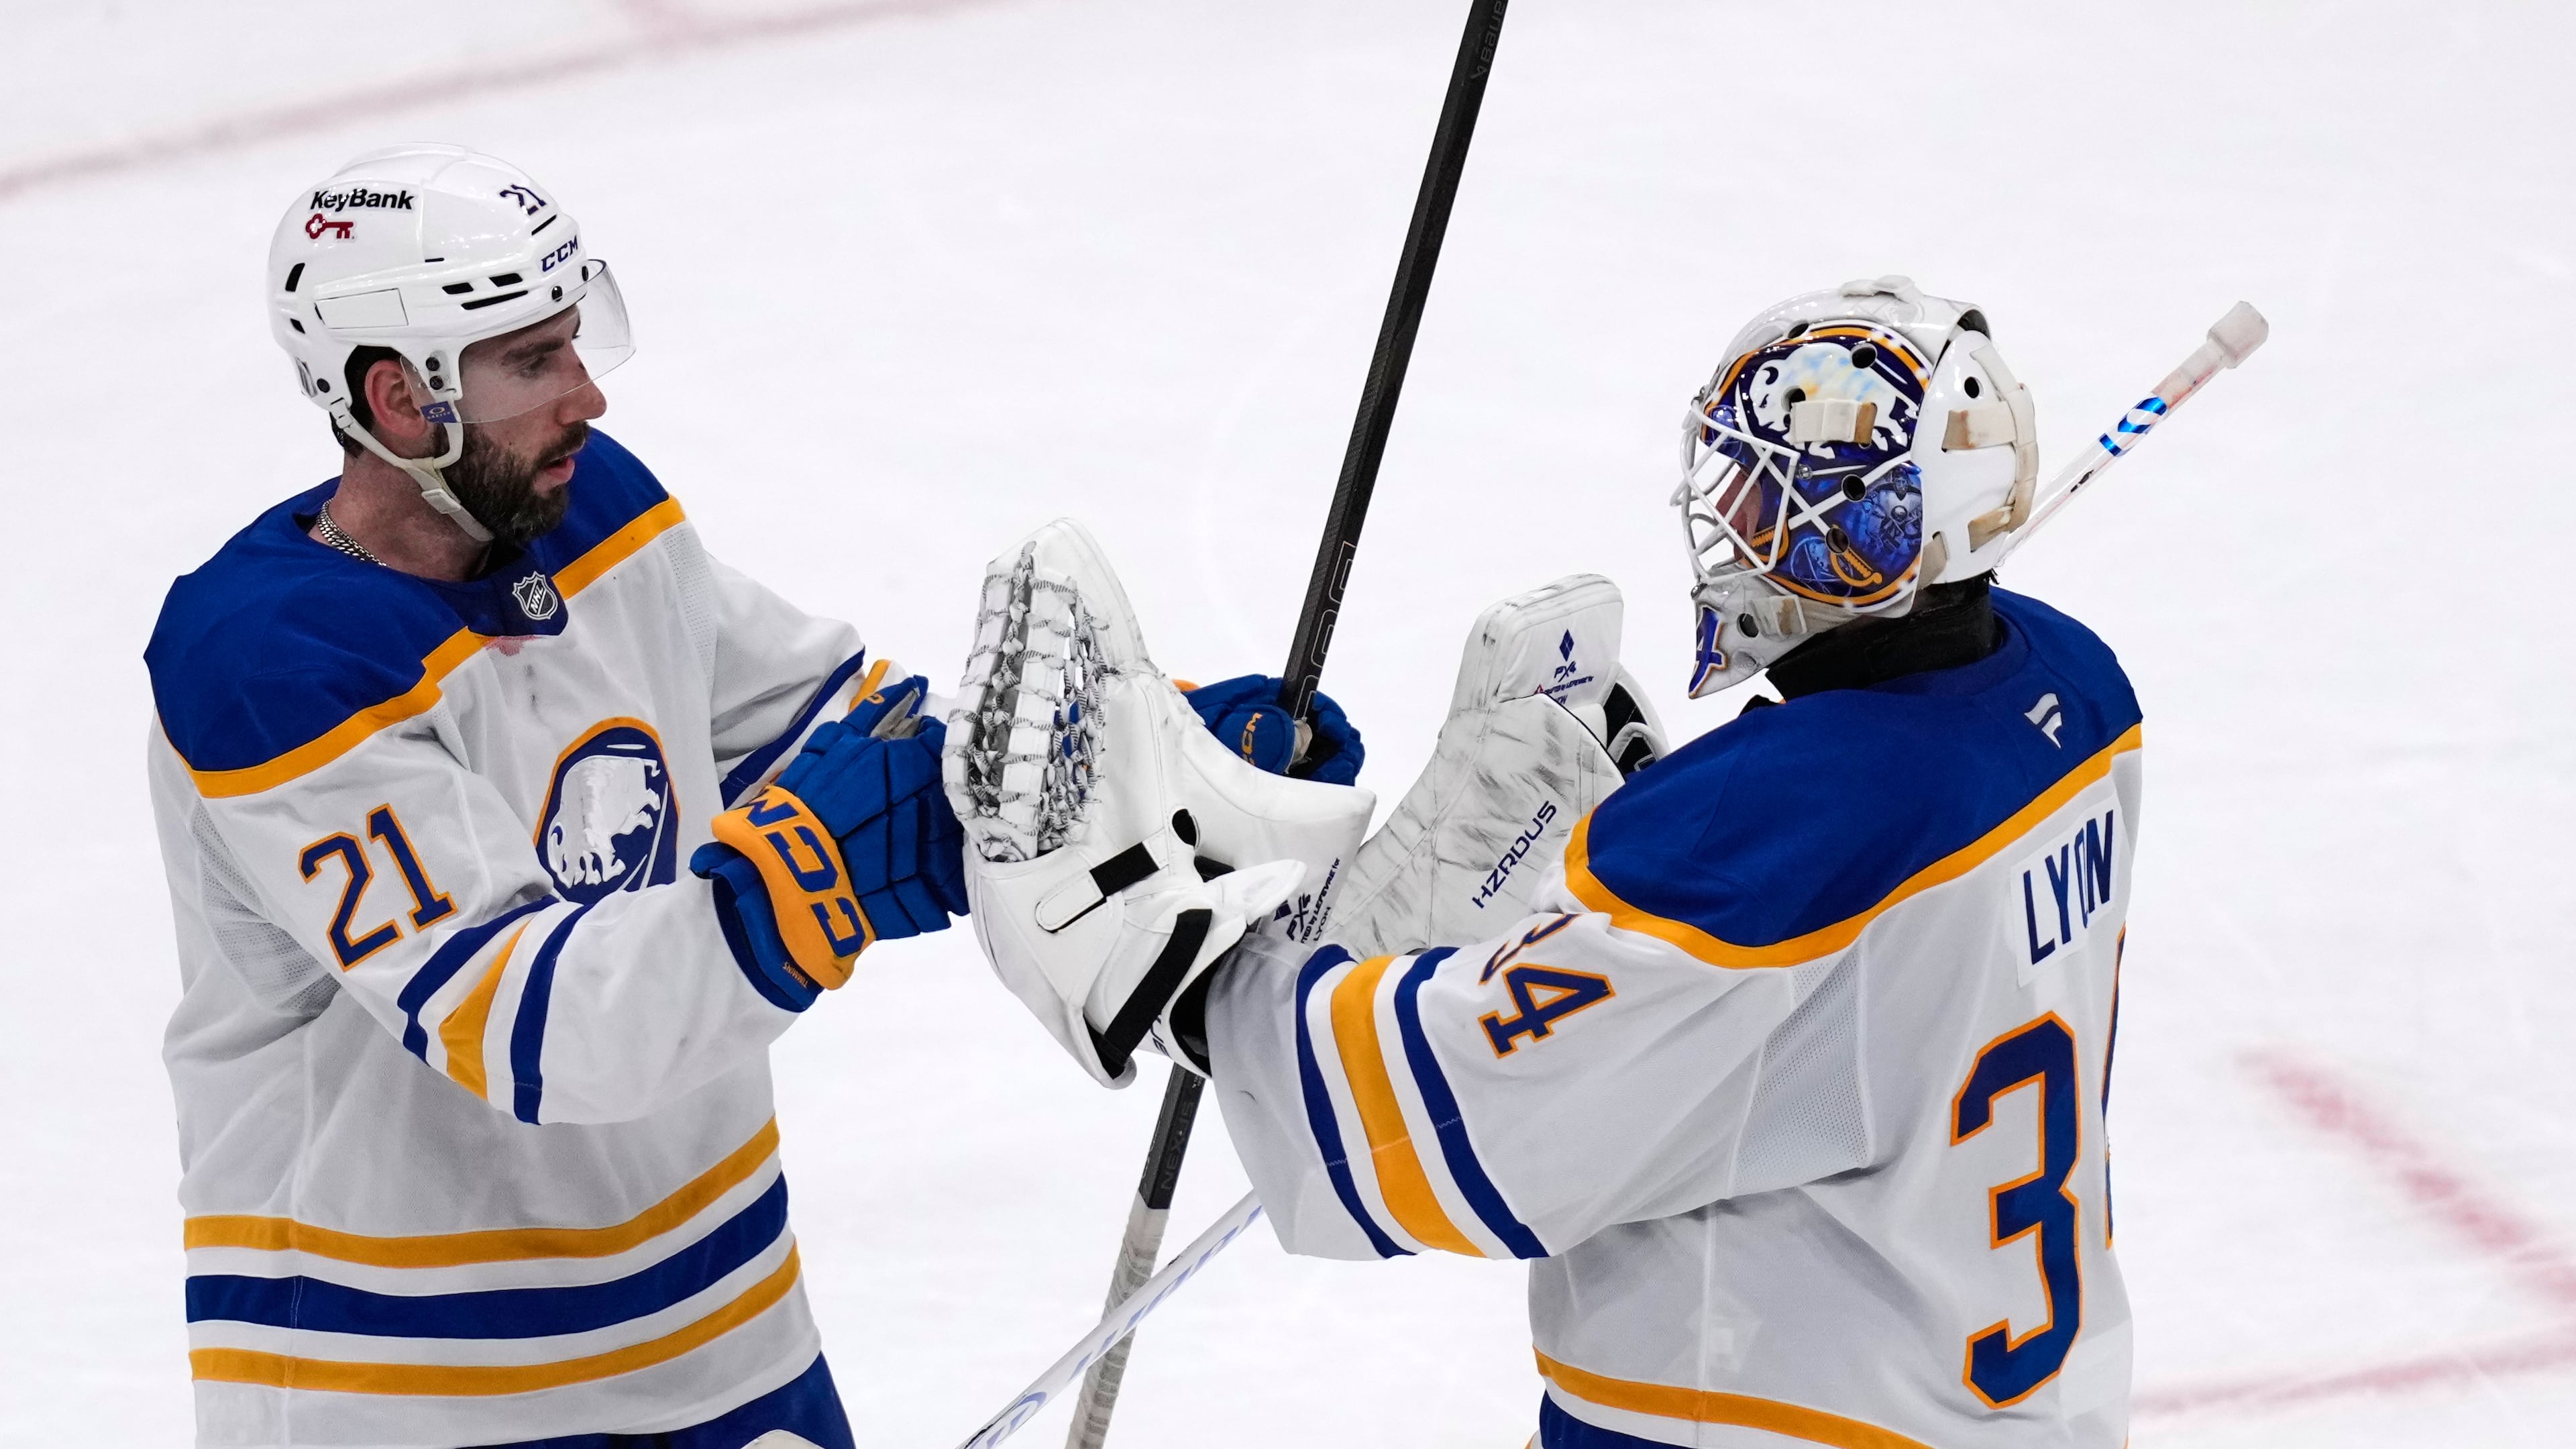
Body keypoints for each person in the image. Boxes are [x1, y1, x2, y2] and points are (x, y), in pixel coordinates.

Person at [145, 144, 1358, 1449]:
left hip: (723, 1331)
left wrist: (1133, 750)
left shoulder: (597, 515)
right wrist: (795, 884)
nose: (587, 395)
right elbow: (528, 1027)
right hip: (403, 1384)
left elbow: (854, 744)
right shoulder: (270, 665)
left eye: (576, 340)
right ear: (400, 400)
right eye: (533, 364)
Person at [953, 277, 2143, 1448]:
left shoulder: (1761, 842)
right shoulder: (2076, 693)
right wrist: (1613, 887)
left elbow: (1463, 1111)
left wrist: (1195, 988)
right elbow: (1843, 986)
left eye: (1786, 499)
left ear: (1877, 540)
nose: (1740, 522)